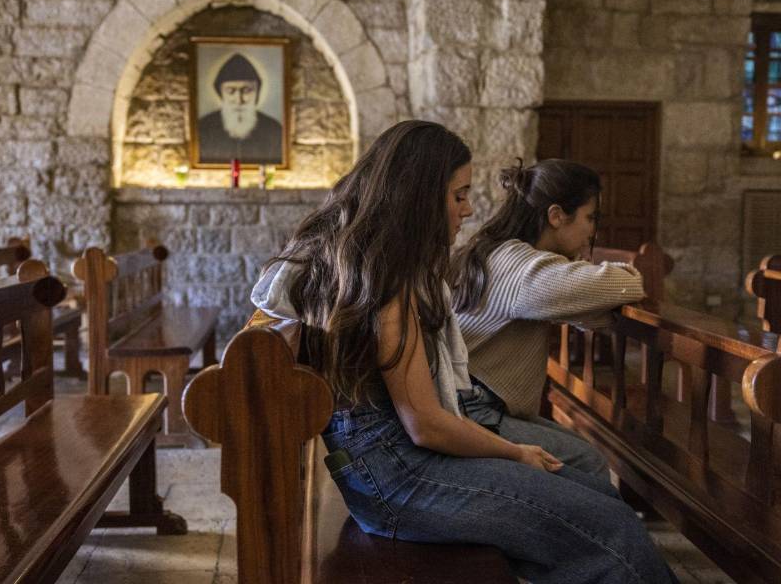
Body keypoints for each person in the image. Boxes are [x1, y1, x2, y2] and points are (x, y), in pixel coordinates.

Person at [251, 122, 677, 583]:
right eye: (458, 195)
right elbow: (426, 426)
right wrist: (515, 452)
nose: (468, 209)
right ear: (417, 196)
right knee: (611, 528)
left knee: (587, 490)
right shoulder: (390, 283)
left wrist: (516, 453)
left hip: (380, 469)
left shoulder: (362, 263)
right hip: (399, 482)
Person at [450, 159, 646, 479]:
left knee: (587, 455)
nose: (592, 230)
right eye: (590, 217)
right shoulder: (521, 268)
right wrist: (629, 274)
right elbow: (625, 284)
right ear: (556, 216)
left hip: (474, 402)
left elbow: (586, 313)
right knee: (589, 463)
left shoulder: (502, 252)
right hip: (475, 410)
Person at [197, 53, 283, 164]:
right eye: (230, 91)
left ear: (257, 93)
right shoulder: (204, 128)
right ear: (220, 93)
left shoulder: (274, 130)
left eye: (246, 90)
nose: (239, 100)